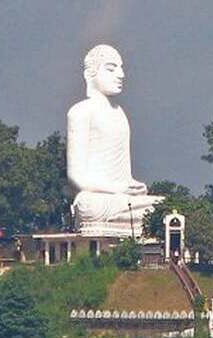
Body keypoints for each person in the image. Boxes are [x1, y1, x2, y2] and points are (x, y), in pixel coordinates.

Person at [66, 44, 162, 236]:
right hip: (98, 199)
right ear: (90, 74)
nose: (120, 75)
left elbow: (124, 173)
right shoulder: (80, 112)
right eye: (111, 69)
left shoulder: (120, 114)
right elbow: (76, 177)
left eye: (121, 68)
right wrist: (116, 188)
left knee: (161, 205)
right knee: (88, 205)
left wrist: (133, 185)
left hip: (123, 199)